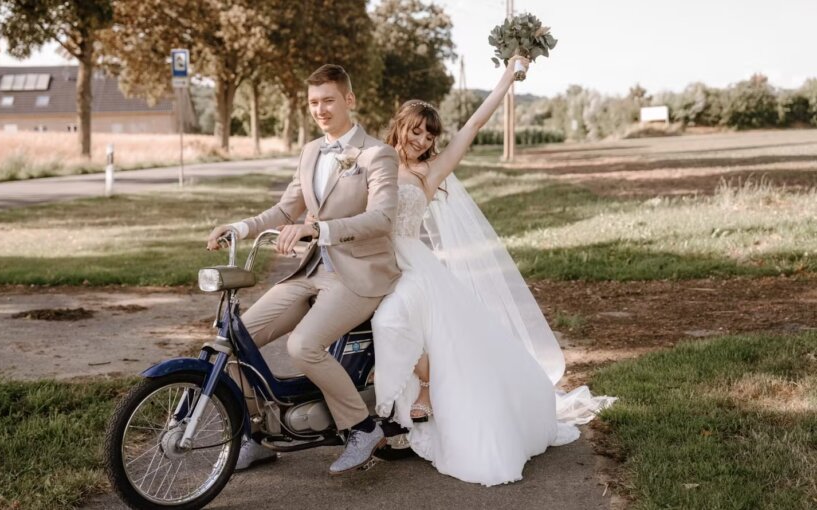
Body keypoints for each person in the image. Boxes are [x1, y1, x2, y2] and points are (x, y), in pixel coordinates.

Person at [370, 55, 615, 486]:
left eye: (429, 135)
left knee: (394, 321)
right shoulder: (376, 161)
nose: (422, 140)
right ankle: (393, 420)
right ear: (400, 124)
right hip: (375, 262)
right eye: (416, 130)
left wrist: (508, 76)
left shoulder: (429, 172)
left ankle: (416, 403)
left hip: (414, 267)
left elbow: (473, 126)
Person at [207, 64, 400, 475]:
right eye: (313, 102)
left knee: (303, 346)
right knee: (234, 339)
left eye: (328, 100)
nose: (320, 109)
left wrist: (320, 228)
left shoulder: (377, 154)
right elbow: (285, 208)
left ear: (349, 100)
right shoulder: (312, 151)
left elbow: (382, 218)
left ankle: (362, 428)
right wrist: (240, 227)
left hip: (360, 275)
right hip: (312, 272)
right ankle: (255, 435)